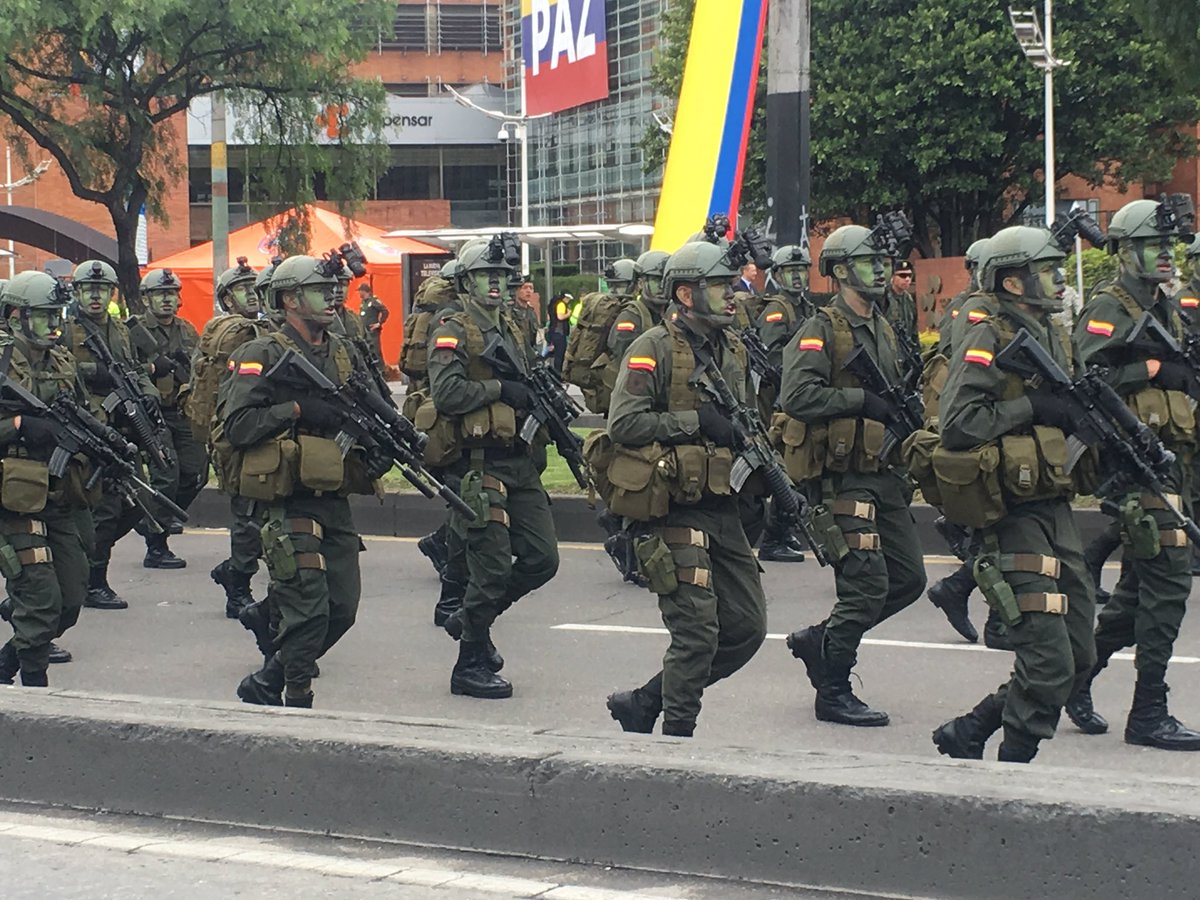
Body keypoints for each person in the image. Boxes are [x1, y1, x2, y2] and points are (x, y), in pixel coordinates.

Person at [930, 225, 1096, 763]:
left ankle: (974, 727)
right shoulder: (988, 337)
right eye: (1047, 271)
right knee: (1048, 662)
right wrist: (1034, 408)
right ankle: (1013, 770)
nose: (1059, 280)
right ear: (1013, 283)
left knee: (1078, 654)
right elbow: (958, 423)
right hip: (1009, 513)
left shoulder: (1055, 336)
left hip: (1054, 507)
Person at [603, 241, 767, 737]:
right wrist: (696, 421)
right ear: (685, 293)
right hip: (670, 508)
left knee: (747, 628)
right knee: (697, 632)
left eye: (731, 285)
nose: (732, 294)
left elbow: (745, 422)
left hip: (721, 505)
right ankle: (677, 738)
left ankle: (646, 701)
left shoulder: (732, 348)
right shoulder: (652, 347)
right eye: (718, 286)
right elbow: (623, 424)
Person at [220, 254, 390, 708]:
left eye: (333, 290)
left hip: (331, 493)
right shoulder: (260, 353)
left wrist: (376, 446)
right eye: (319, 290)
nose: (332, 297)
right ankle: (297, 696)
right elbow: (237, 426)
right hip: (284, 497)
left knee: (342, 608)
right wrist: (295, 410)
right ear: (290, 300)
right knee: (309, 607)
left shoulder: (343, 351)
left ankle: (269, 675)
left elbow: (368, 408)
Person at [1064, 198, 1200, 751]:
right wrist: (1149, 367)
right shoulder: (1109, 305)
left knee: (1136, 595)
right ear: (1124, 251)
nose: (1165, 255)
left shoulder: (1164, 305)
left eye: (1168, 246)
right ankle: (1148, 711)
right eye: (1152, 246)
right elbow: (1083, 376)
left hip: (1170, 466)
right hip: (1133, 468)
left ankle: (1076, 680)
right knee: (1169, 586)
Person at [779, 223, 927, 727]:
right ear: (841, 271)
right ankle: (833, 688)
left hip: (881, 472)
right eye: (869, 262)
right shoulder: (822, 328)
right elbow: (796, 396)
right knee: (865, 585)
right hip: (840, 477)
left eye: (883, 262)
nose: (881, 270)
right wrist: (860, 399)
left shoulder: (882, 325)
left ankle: (823, 638)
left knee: (908, 578)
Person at [426, 235, 560, 699]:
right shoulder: (453, 327)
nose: (497, 284)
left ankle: (470, 619)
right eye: (487, 276)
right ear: (467, 282)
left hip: (518, 461)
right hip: (477, 463)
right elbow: (447, 393)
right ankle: (469, 661)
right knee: (493, 568)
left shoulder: (514, 324)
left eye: (502, 276)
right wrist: (500, 390)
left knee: (543, 558)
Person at [0, 272, 92, 687]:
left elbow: (85, 415)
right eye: (42, 316)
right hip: (12, 496)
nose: (53, 326)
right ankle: (34, 690)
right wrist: (18, 425)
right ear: (15, 316)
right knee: (41, 598)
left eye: (57, 316)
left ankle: (8, 659)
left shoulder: (62, 362)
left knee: (70, 599)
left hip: (57, 493)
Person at [61, 260, 157, 611]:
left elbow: (133, 369)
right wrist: (94, 372)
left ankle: (83, 558)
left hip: (121, 428)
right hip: (89, 428)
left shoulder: (119, 330)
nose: (95, 296)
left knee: (137, 505)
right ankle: (94, 579)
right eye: (88, 289)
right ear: (77, 293)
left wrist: (148, 394)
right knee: (104, 509)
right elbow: (61, 371)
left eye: (102, 290)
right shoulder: (66, 330)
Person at [190, 258, 275, 620]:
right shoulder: (241, 335)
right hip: (238, 432)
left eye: (254, 288)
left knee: (258, 513)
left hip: (239, 429)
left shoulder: (221, 330)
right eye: (242, 290)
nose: (252, 295)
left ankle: (237, 574)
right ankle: (237, 585)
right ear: (227, 299)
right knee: (249, 515)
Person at [128, 268, 206, 569]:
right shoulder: (134, 330)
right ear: (147, 299)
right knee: (166, 476)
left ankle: (155, 517)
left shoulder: (187, 330)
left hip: (183, 410)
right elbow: (122, 367)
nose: (166, 299)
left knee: (197, 473)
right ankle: (156, 545)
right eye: (160, 294)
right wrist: (151, 369)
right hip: (153, 413)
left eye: (171, 294)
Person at [752, 244, 814, 565]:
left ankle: (784, 529)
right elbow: (770, 356)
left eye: (801, 270)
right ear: (777, 275)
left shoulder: (805, 308)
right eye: (791, 272)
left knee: (797, 464)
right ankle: (774, 536)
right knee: (787, 466)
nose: (798, 277)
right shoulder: (777, 310)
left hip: (796, 395)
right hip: (777, 400)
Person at [357, 282, 390, 369]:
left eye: (359, 291)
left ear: (364, 291)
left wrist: (379, 323)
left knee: (375, 351)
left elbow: (385, 311)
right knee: (367, 352)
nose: (359, 293)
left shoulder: (373, 301)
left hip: (372, 332)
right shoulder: (363, 302)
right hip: (364, 332)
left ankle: (382, 370)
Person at [547, 292, 572, 375]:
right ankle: (558, 374)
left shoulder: (554, 304)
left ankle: (556, 373)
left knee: (557, 355)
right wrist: (568, 314)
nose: (568, 300)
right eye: (568, 298)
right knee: (560, 355)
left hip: (554, 332)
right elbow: (560, 317)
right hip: (559, 333)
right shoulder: (561, 304)